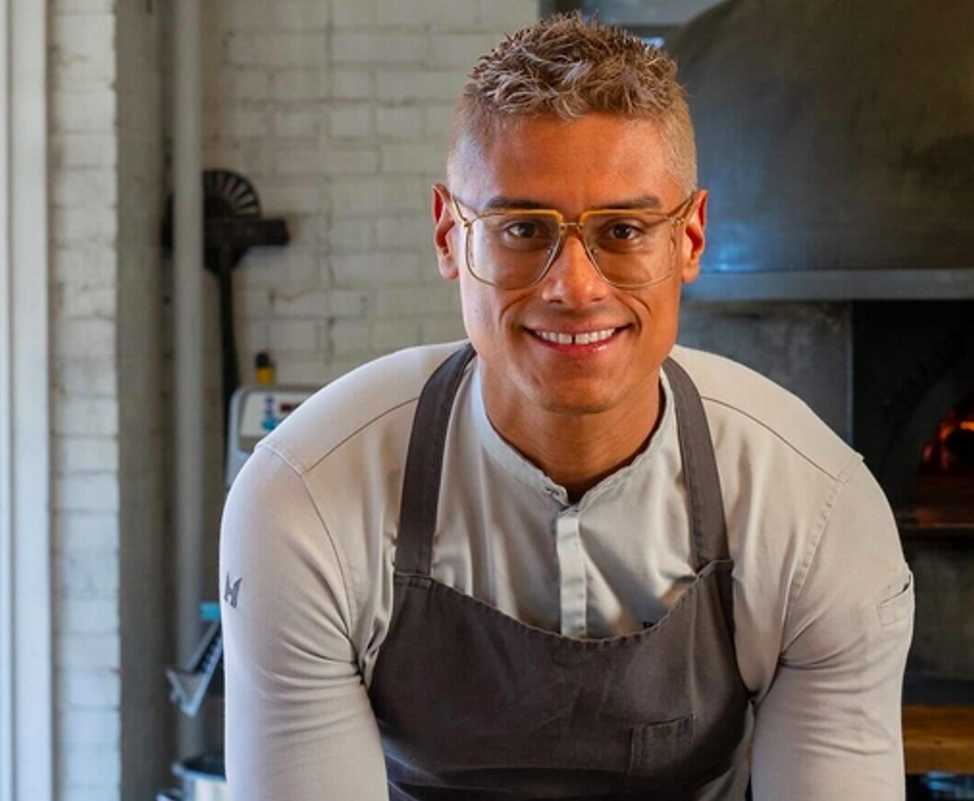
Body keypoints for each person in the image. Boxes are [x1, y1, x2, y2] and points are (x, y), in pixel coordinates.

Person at [220, 13, 914, 801]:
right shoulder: (305, 500)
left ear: (688, 239)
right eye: (521, 228)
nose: (575, 286)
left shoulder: (816, 509)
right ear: (451, 237)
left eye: (623, 228)